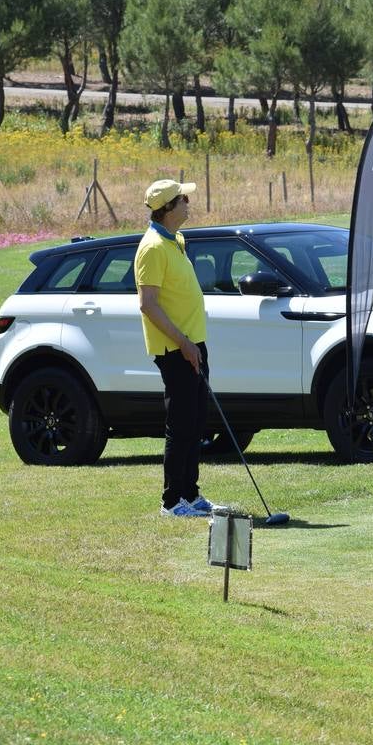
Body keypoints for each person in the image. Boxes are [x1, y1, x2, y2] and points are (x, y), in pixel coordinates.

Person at [135, 178, 222, 518]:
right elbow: (149, 305)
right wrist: (183, 343)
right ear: (168, 209)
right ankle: (172, 502)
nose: (188, 203)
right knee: (182, 424)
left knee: (197, 420)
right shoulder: (153, 248)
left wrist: (193, 343)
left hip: (192, 344)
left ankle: (190, 494)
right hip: (175, 349)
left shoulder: (176, 241)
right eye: (182, 199)